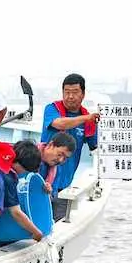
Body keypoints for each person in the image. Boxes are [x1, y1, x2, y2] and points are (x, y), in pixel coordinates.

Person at [41, 73, 99, 207]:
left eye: (75, 92)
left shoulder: (88, 120)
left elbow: (96, 148)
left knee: (58, 222)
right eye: (66, 92)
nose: (70, 96)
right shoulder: (52, 109)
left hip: (65, 184)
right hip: (43, 179)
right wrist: (86, 118)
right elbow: (60, 124)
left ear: (83, 94)